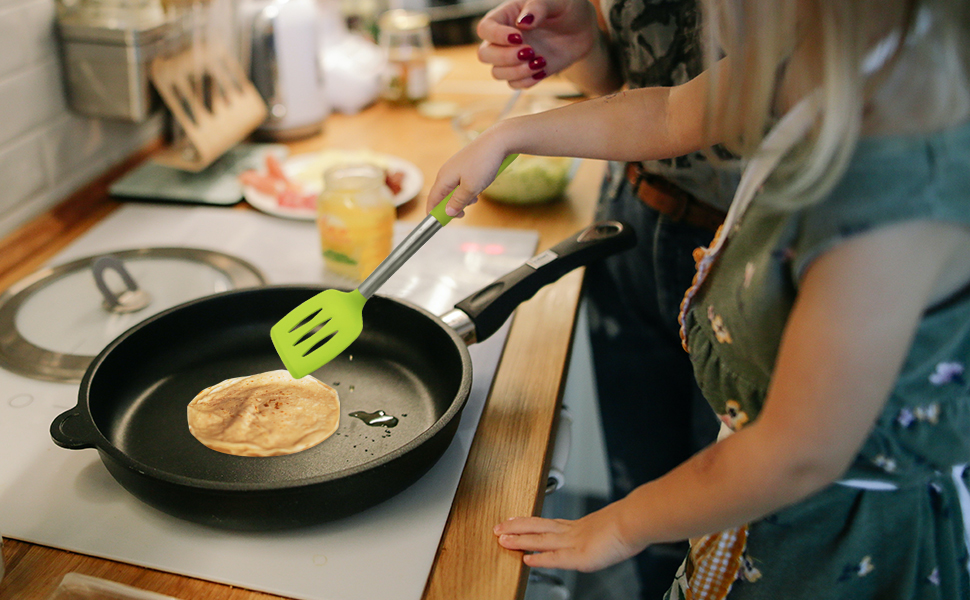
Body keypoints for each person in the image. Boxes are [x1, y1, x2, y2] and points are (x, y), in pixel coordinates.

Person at [427, 0, 970, 597]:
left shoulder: (891, 199)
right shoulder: (827, 59)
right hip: (758, 493)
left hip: (831, 541)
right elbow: (668, 114)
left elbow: (796, 455)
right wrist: (512, 135)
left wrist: (622, 525)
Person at [474, 2, 729, 595]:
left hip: (754, 252)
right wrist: (585, 48)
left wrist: (513, 134)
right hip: (633, 221)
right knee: (643, 478)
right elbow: (644, 86)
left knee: (724, 521)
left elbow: (783, 457)